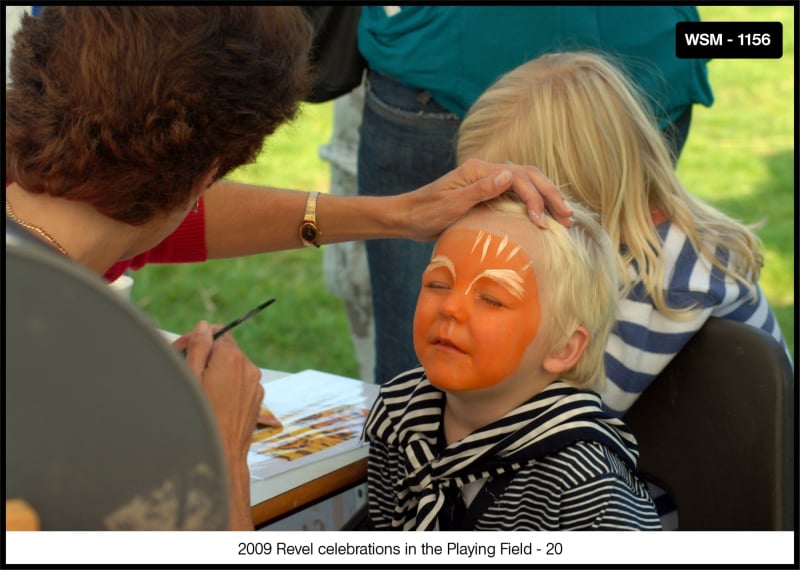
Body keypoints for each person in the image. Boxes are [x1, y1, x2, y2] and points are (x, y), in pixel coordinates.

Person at [4, 7, 569, 529]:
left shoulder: (42, 209)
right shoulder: (45, 352)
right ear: (208, 173)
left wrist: (400, 213)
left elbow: (150, 207)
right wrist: (216, 450)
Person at [356, 5, 715, 385]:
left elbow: (576, 416)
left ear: (565, 200)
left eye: (504, 199)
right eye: (439, 286)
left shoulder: (663, 294)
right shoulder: (630, 259)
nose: (452, 311)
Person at [455, 50, 792, 418]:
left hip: (720, 470)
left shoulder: (669, 280)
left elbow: (567, 415)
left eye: (501, 199)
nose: (481, 216)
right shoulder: (612, 248)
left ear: (567, 198)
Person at [363, 193, 662, 530]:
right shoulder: (398, 415)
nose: (450, 308)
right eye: (438, 284)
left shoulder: (585, 479)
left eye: (491, 299)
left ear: (563, 347)